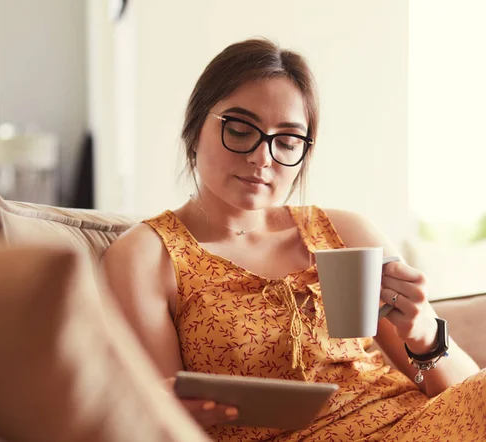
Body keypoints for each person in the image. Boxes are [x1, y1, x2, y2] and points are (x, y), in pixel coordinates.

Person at [101, 38, 485, 441]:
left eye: (286, 141)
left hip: (418, 424)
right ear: (196, 127)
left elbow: (465, 390)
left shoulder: (345, 231)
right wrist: (154, 404)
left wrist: (424, 334)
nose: (262, 158)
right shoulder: (147, 256)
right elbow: (165, 414)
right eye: (239, 129)